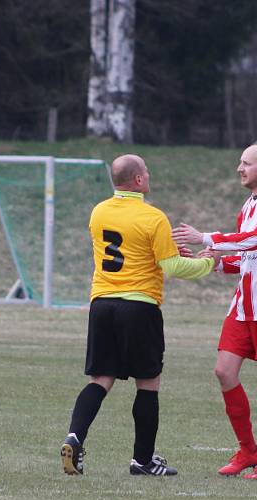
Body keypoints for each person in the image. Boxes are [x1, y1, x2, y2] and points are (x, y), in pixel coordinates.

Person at [60, 154, 219, 476]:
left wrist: (170, 254)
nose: (149, 174)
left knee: (101, 379)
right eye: (146, 170)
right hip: (139, 306)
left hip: (102, 303)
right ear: (138, 181)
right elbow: (172, 267)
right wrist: (208, 262)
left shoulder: (98, 212)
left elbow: (134, 251)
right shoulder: (153, 217)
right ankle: (142, 461)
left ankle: (74, 438)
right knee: (148, 382)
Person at [171, 141, 257, 478]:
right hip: (244, 305)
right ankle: (248, 451)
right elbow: (246, 256)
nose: (240, 169)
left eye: (246, 163)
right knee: (224, 372)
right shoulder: (248, 204)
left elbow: (254, 238)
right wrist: (208, 262)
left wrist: (205, 238)